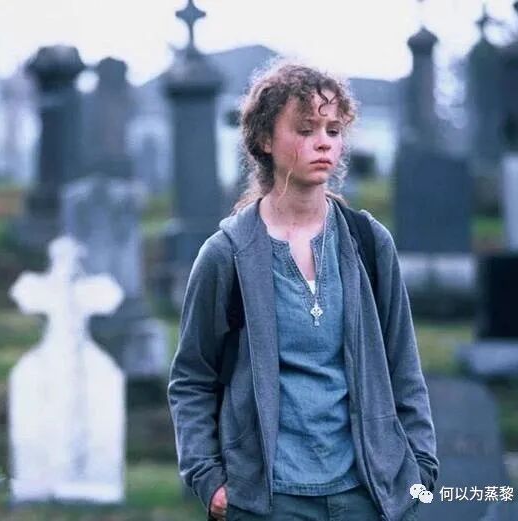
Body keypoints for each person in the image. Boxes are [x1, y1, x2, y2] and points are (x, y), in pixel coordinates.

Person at [167, 59, 438, 521]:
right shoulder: (227, 254)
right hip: (269, 501)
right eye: (306, 129)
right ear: (265, 139)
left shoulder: (369, 242)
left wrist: (421, 470)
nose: (323, 142)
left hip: (367, 493)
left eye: (333, 130)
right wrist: (208, 478)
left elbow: (403, 367)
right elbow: (192, 377)